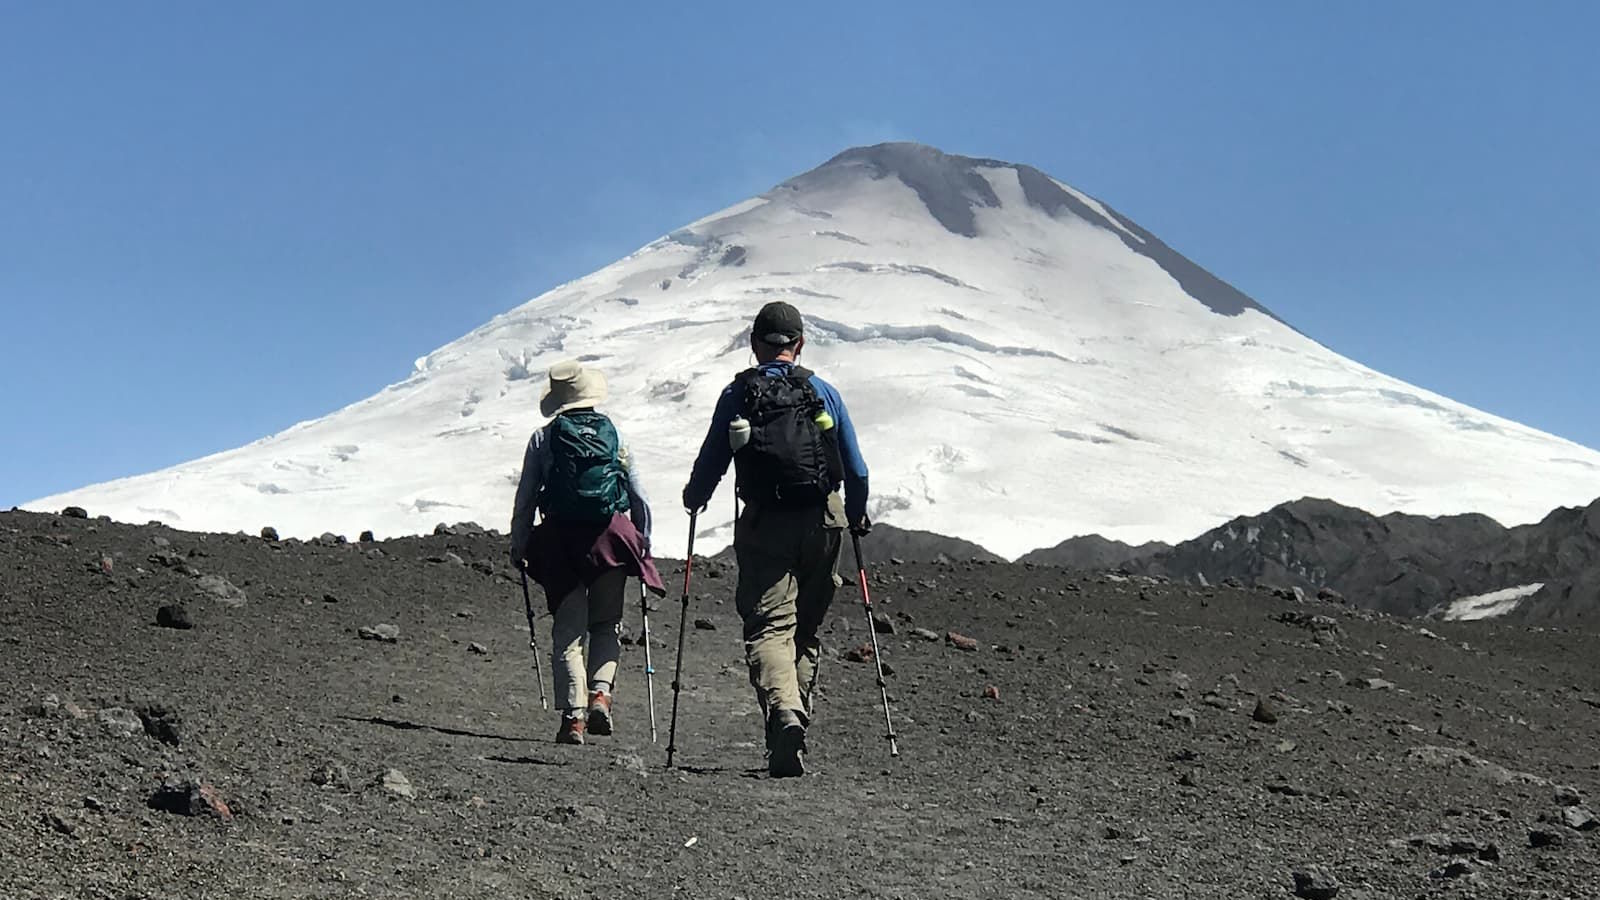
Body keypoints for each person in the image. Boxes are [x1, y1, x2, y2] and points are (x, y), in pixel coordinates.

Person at [682, 301, 870, 777]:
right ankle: (793, 718)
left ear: (753, 345)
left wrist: (695, 497)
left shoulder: (739, 393)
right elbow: (857, 468)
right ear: (800, 344)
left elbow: (712, 461)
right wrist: (856, 513)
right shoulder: (822, 391)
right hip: (825, 522)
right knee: (803, 631)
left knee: (769, 628)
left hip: (766, 523)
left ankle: (785, 714)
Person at [511, 360, 665, 745]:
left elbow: (526, 497)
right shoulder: (614, 434)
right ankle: (601, 694)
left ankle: (573, 719)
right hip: (610, 538)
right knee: (606, 623)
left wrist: (519, 543)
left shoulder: (543, 439)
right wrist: (642, 542)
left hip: (561, 543)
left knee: (568, 632)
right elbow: (638, 494)